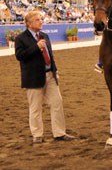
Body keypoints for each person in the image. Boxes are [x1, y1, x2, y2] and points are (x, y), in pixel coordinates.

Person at [15, 11, 75, 144]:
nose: (41, 21)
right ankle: (37, 134)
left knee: (57, 103)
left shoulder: (44, 36)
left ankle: (59, 133)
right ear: (29, 24)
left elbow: (50, 56)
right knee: (35, 107)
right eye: (37, 20)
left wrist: (55, 70)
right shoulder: (21, 38)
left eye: (41, 19)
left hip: (50, 75)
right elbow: (20, 56)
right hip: (33, 78)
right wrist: (36, 47)